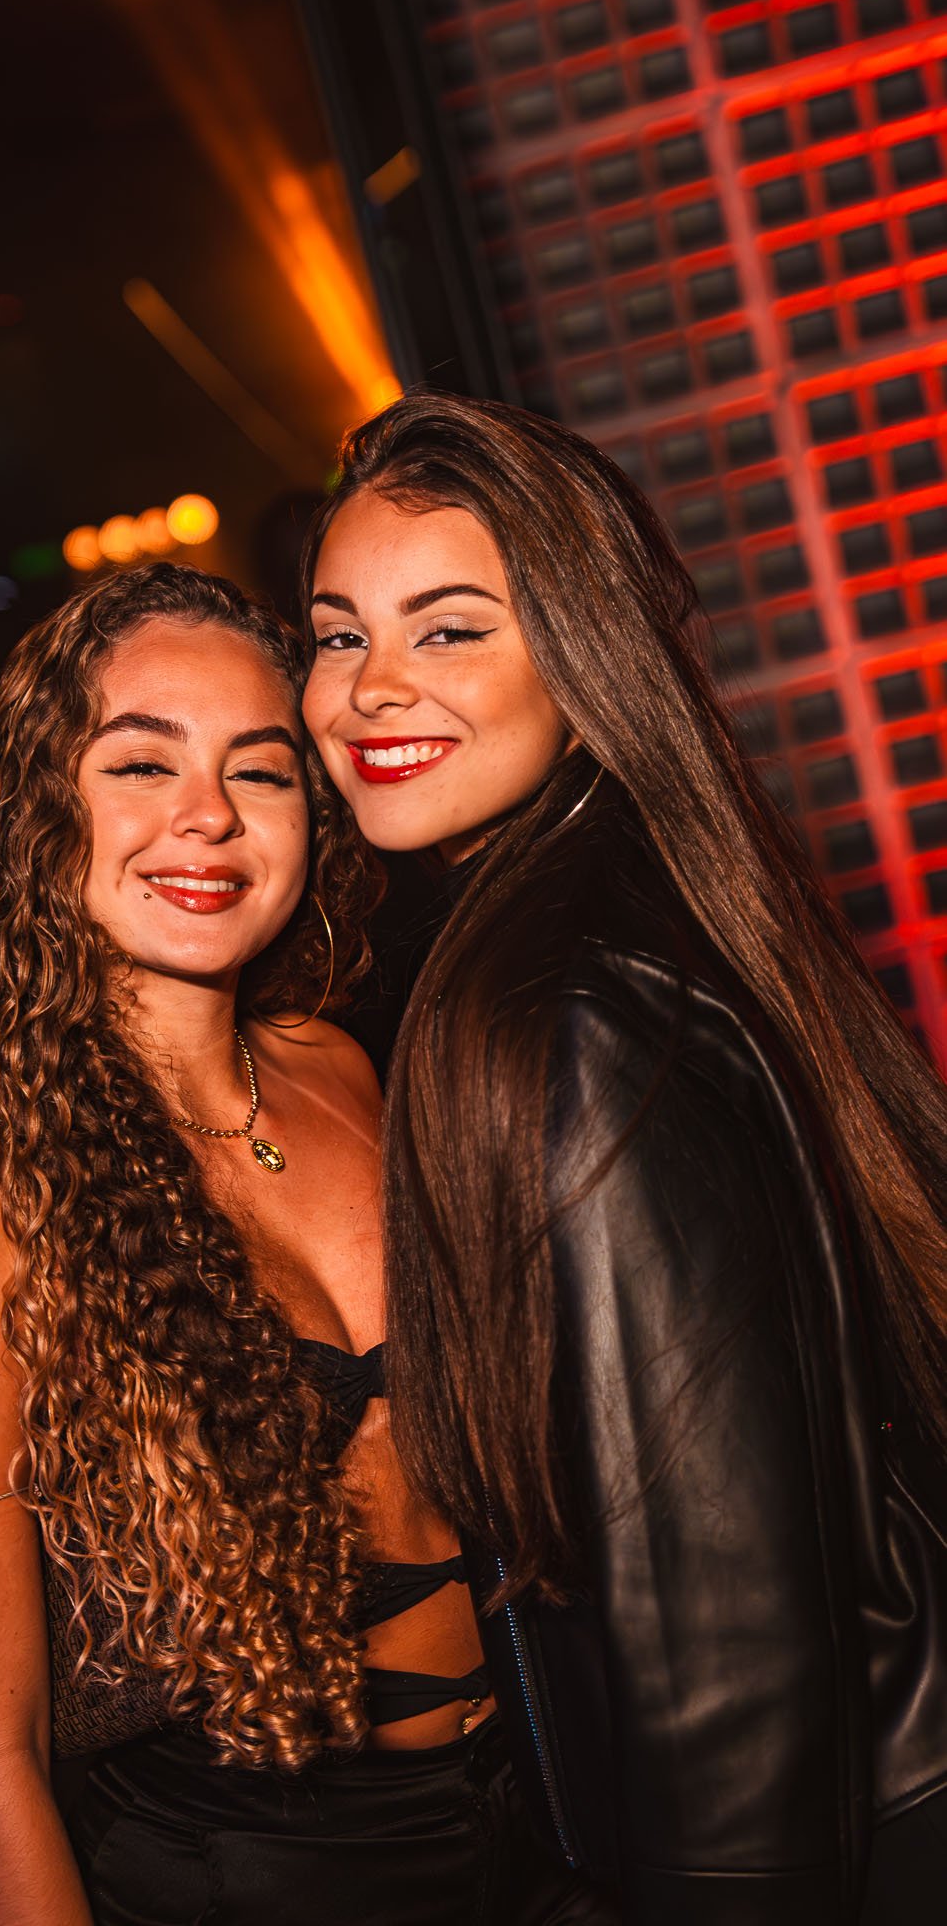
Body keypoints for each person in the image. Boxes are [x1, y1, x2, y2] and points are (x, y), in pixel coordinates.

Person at [0, 562, 616, 1925]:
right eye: (141, 764)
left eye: (258, 772)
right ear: (41, 808)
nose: (205, 815)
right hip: (256, 1877)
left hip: (552, 1812)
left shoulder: (344, 1069)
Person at [300, 387, 947, 1925]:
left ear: (583, 662)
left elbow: (719, 1626)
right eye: (335, 635)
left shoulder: (566, 1013)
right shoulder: (645, 911)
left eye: (448, 629)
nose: (370, 689)